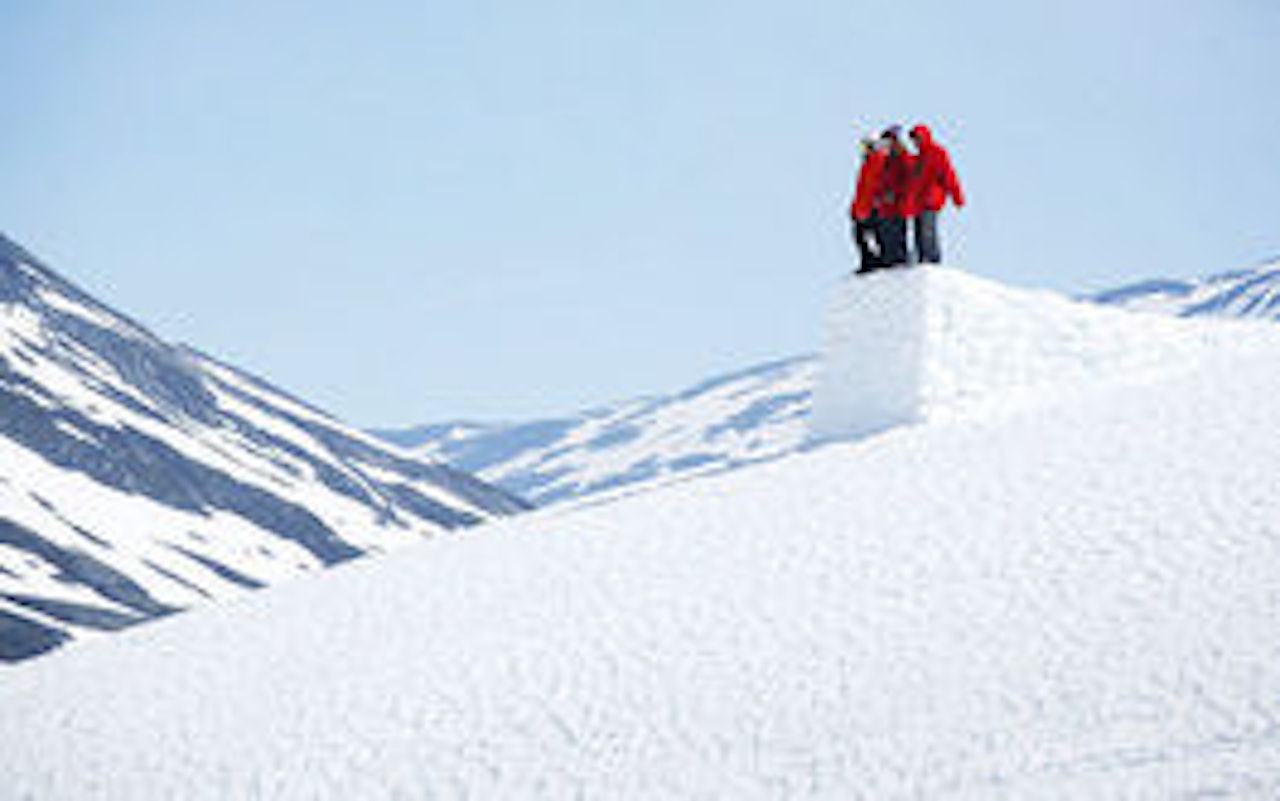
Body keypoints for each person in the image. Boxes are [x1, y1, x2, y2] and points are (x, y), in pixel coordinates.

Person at [906, 124, 965, 264]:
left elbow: (949, 175)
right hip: (918, 202)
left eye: (918, 138)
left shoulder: (937, 153)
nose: (915, 142)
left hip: (931, 200)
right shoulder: (918, 157)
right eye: (914, 139)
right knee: (918, 232)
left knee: (928, 230)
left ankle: (932, 260)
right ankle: (922, 260)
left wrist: (957, 196)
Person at [875, 125, 916, 268]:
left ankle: (900, 260)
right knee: (885, 233)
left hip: (898, 205)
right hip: (885, 206)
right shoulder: (884, 159)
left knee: (897, 233)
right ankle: (889, 259)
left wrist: (897, 194)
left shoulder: (902, 157)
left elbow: (909, 179)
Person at [849, 137, 887, 272]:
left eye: (867, 146)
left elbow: (872, 186)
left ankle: (875, 261)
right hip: (864, 207)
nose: (864, 150)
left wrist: (872, 204)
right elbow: (861, 188)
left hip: (872, 207)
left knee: (872, 235)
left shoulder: (877, 161)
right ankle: (869, 261)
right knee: (860, 235)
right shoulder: (867, 163)